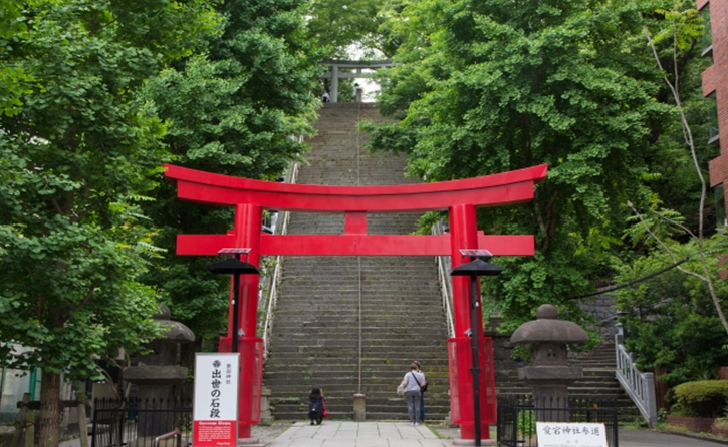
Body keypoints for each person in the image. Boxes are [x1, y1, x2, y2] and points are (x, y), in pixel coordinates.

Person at [401, 362, 426, 426]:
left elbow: (405, 383)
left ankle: (411, 421)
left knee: (410, 406)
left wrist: (402, 385)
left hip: (409, 391)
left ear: (410, 368)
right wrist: (418, 386)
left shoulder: (408, 374)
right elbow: (423, 384)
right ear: (417, 368)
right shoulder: (421, 374)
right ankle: (417, 422)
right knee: (417, 406)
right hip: (417, 391)